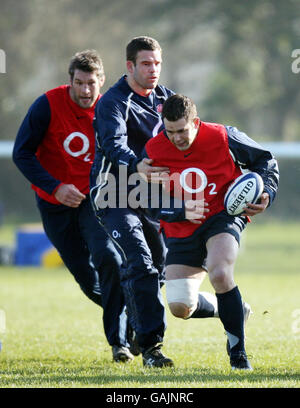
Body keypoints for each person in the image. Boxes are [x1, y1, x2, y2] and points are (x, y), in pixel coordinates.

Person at [90, 36, 226, 367]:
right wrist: (136, 163)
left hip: (152, 195)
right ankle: (152, 349)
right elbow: (112, 143)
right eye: (146, 64)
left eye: (157, 63)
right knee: (139, 263)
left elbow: (191, 137)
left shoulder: (166, 99)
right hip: (114, 193)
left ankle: (140, 328)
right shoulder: (113, 102)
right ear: (130, 66)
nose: (153, 70)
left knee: (161, 269)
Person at [12, 50, 136, 363]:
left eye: (90, 83)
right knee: (86, 278)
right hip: (54, 204)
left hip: (96, 199)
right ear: (70, 81)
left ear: (101, 81)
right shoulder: (47, 105)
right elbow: (21, 153)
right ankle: (137, 314)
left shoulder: (113, 109)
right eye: (78, 83)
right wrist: (55, 186)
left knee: (108, 257)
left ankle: (120, 343)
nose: (84, 90)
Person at [143, 94, 279, 370]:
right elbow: (146, 201)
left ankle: (238, 354)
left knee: (220, 272)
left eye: (182, 130)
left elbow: (265, 162)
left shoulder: (223, 137)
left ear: (195, 121)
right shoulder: (154, 150)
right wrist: (181, 210)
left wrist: (266, 192)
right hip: (181, 229)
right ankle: (230, 308)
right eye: (170, 132)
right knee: (181, 307)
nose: (177, 138)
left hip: (222, 216)